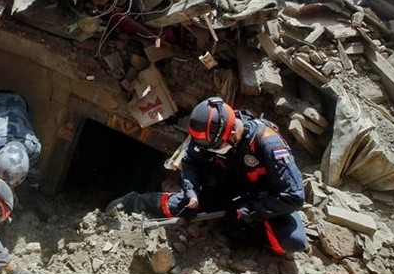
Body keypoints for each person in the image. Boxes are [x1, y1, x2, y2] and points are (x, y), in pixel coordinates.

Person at [106, 96, 307, 257]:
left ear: (231, 134)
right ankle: (135, 202)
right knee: (182, 205)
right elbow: (191, 162)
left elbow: (293, 196)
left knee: (292, 242)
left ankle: (238, 233)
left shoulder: (268, 144)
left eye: (215, 147)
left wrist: (251, 211)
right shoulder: (207, 136)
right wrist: (192, 193)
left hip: (258, 198)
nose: (212, 149)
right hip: (219, 188)